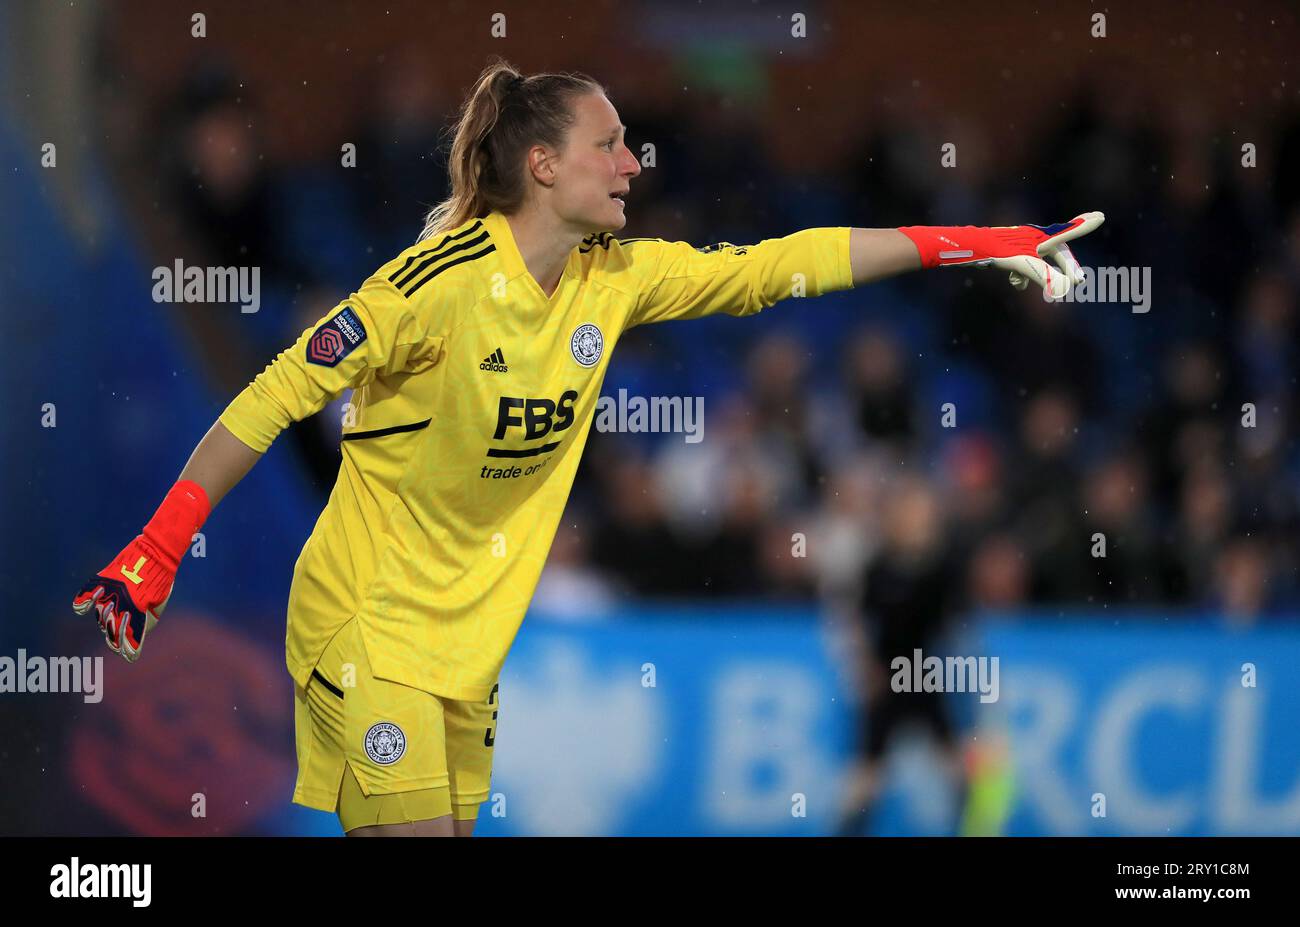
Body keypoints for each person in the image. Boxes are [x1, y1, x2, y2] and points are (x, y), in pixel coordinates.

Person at [72, 57, 1104, 837]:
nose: (631, 161)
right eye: (608, 144)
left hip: (462, 643)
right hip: (365, 617)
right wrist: (161, 545)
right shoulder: (427, 290)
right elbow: (265, 396)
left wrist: (971, 244)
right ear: (541, 164)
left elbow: (787, 261)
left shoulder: (616, 279)